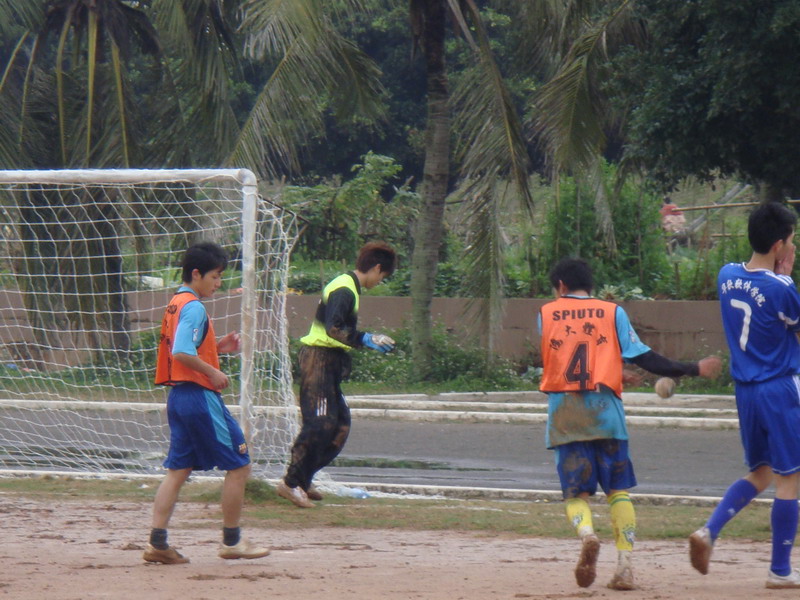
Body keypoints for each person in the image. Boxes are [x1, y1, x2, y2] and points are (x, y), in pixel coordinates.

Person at [538, 257, 721, 590]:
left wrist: (611, 369)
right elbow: (644, 356)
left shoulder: (546, 313)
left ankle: (587, 534)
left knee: (576, 493)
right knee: (617, 491)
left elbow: (566, 358)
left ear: (561, 286)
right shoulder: (612, 312)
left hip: (565, 414)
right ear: (590, 285)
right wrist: (692, 368)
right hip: (606, 413)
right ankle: (624, 567)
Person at [689, 202, 800, 589]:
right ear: (778, 245)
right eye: (792, 240)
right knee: (790, 478)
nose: (794, 246)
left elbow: (760, 296)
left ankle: (709, 530)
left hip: (746, 391)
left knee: (761, 472)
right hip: (779, 389)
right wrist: (787, 281)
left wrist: (781, 277)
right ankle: (780, 570)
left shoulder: (727, 275)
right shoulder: (782, 289)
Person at [144, 242, 270, 564]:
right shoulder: (195, 307)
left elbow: (185, 347)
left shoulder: (176, 303)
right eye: (215, 276)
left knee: (178, 470)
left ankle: (158, 543)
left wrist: (217, 347)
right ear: (197, 274)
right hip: (200, 397)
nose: (218, 283)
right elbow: (181, 352)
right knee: (239, 466)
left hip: (178, 398)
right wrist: (213, 371)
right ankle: (232, 541)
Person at [276, 242, 397, 508]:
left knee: (340, 426)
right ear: (377, 268)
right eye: (383, 276)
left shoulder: (350, 286)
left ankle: (304, 478)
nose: (380, 281)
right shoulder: (344, 288)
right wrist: (365, 338)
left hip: (330, 362)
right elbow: (334, 328)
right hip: (318, 359)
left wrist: (364, 340)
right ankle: (291, 483)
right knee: (320, 423)